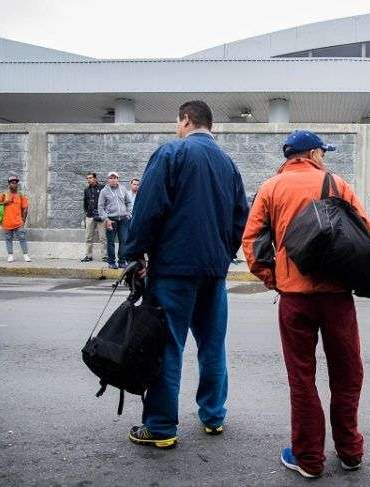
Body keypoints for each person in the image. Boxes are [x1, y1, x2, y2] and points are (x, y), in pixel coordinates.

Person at [242, 130, 370, 479]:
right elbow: (368, 234)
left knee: (302, 377)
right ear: (313, 153)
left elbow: (252, 243)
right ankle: (350, 451)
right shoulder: (336, 184)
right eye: (323, 152)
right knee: (347, 375)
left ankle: (308, 458)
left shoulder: (270, 188)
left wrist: (276, 279)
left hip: (295, 301)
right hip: (336, 299)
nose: (324, 157)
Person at [123, 100, 249, 450]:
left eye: (177, 121)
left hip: (174, 270)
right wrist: (224, 255)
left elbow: (148, 208)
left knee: (167, 345)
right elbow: (242, 217)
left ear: (186, 120)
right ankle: (213, 416)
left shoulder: (172, 153)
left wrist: (135, 253)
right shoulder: (228, 164)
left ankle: (161, 427)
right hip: (214, 271)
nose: (176, 127)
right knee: (212, 344)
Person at [98, 171, 132, 269]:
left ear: (118, 179)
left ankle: (122, 261)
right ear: (108, 180)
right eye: (111, 178)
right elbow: (100, 207)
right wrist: (106, 219)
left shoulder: (123, 189)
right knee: (111, 242)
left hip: (123, 219)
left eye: (115, 177)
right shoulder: (104, 191)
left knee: (123, 241)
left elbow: (129, 202)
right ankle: (111, 262)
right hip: (110, 220)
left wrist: (128, 213)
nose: (113, 180)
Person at [0, 175, 30, 263]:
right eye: (12, 183)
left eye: (16, 183)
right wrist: (4, 203)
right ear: (9, 184)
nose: (15, 185)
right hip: (6, 223)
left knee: (22, 238)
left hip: (18, 223)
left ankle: (26, 255)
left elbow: (25, 208)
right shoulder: (4, 194)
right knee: (8, 239)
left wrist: (23, 221)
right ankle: (10, 255)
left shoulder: (21, 195)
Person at [81, 172, 106, 262]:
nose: (89, 180)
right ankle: (88, 255)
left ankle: (104, 256)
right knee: (88, 237)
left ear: (95, 178)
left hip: (100, 215)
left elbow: (106, 201)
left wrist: (104, 213)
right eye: (87, 178)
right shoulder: (86, 190)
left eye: (90, 178)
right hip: (90, 216)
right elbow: (85, 202)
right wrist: (86, 213)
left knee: (102, 237)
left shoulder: (102, 188)